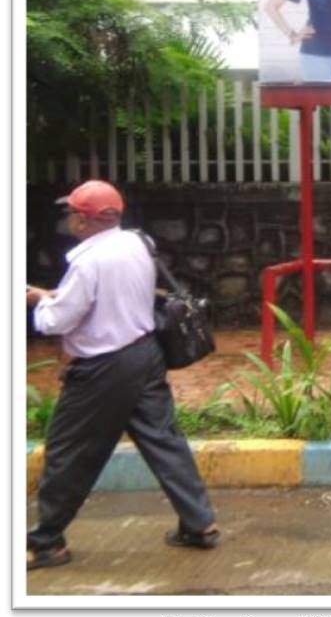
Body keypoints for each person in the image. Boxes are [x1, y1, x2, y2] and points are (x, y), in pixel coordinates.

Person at [25, 180, 219, 571]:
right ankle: (199, 523)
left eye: (73, 213)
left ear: (83, 220)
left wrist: (39, 304)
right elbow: (110, 299)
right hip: (145, 354)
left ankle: (46, 543)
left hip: (103, 368)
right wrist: (55, 298)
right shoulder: (136, 243)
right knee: (164, 440)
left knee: (69, 452)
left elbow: (58, 321)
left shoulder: (87, 262)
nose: (69, 219)